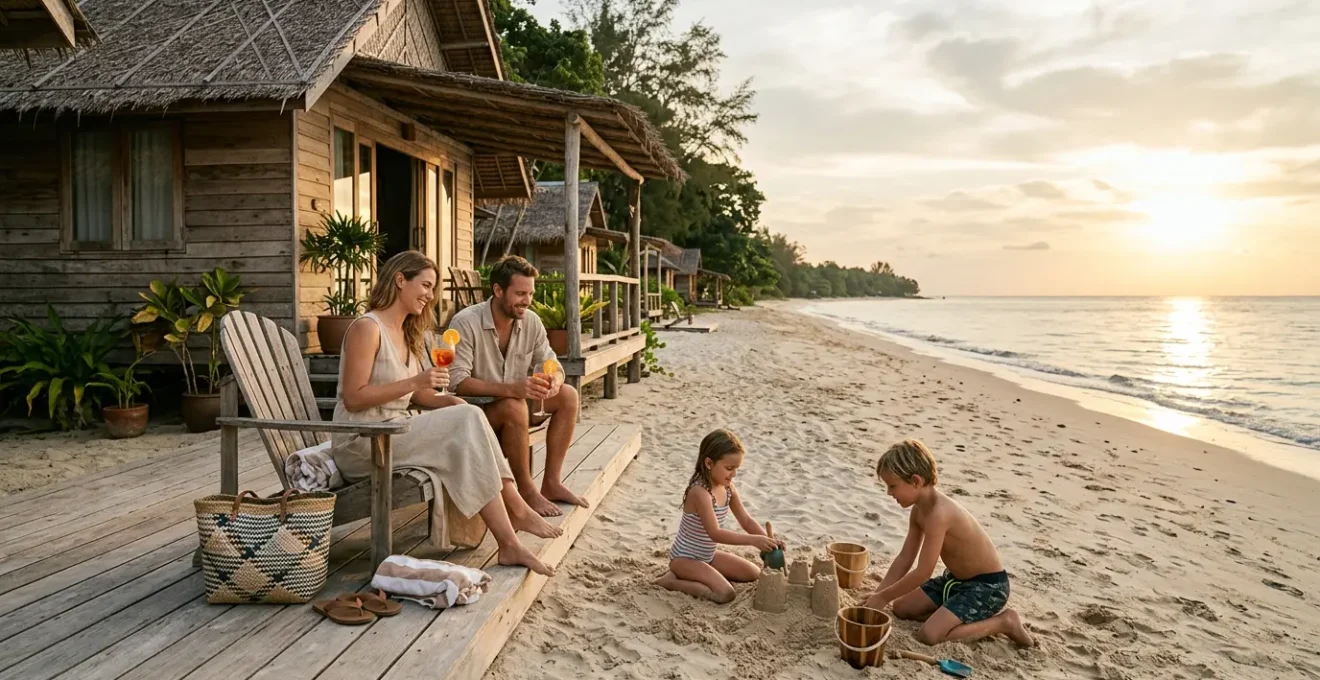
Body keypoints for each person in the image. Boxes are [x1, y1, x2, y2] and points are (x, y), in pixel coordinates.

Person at [330, 250, 561, 576]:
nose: (430, 295)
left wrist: (448, 401)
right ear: (399, 280)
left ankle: (510, 538)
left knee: (467, 413)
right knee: (466, 420)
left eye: (433, 288)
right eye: (424, 285)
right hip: (361, 443)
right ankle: (516, 513)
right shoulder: (367, 329)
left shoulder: (406, 332)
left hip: (393, 432)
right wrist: (417, 381)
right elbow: (354, 398)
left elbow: (418, 393)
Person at [447, 256, 587, 518]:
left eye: (530, 293)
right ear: (498, 290)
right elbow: (458, 382)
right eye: (520, 293)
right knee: (514, 405)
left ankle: (552, 482)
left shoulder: (531, 321)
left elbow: (551, 362)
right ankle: (526, 490)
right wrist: (513, 389)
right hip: (478, 415)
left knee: (568, 395)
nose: (527, 300)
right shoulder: (465, 322)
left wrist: (554, 379)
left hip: (518, 405)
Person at [865, 439, 1034, 647]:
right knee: (901, 607)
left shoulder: (939, 514)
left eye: (892, 486)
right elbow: (904, 558)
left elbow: (923, 572)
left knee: (929, 635)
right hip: (954, 581)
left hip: (987, 587)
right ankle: (952, 615)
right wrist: (879, 594)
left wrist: (883, 598)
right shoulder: (919, 511)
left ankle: (1005, 623)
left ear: (916, 481)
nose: (889, 493)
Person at [654, 429, 783, 604]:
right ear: (709, 463)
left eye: (736, 469)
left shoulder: (728, 488)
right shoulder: (700, 493)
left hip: (708, 555)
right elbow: (715, 533)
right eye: (729, 468)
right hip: (685, 558)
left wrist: (768, 541)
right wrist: (754, 540)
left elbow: (746, 520)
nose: (734, 474)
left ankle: (704, 575)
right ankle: (671, 582)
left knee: (753, 573)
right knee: (725, 594)